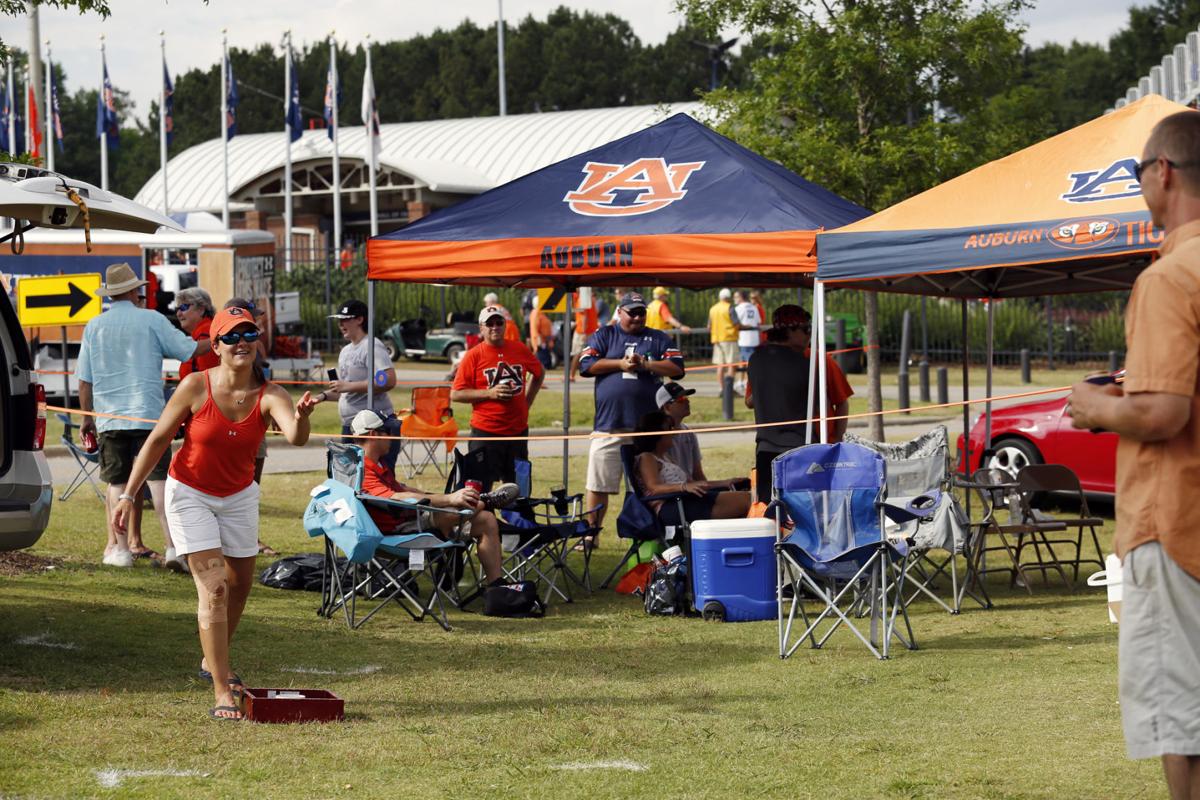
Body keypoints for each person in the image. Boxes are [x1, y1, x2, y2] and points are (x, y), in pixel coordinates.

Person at [1066, 111, 1200, 799]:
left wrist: (1097, 408)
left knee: (1180, 717)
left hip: (1174, 526)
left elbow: (1163, 413)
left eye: (1137, 173)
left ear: (1163, 173)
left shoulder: (1171, 276)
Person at [112, 306, 317, 721]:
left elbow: (295, 438)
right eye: (231, 337)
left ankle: (211, 659)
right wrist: (129, 494)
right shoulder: (194, 386)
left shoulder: (271, 394)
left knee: (240, 584)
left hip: (240, 495)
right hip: (190, 493)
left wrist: (302, 418)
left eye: (249, 334)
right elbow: (156, 441)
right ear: (217, 346)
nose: (241, 343)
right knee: (215, 588)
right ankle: (222, 688)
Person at [77, 262, 211, 572]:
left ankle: (120, 551)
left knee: (116, 484)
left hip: (110, 417)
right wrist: (223, 340)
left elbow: (85, 380)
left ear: (110, 295)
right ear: (135, 291)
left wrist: (87, 418)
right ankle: (174, 546)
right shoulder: (151, 319)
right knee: (160, 482)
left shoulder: (94, 325)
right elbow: (188, 350)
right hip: (149, 416)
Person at [351, 409, 508, 587]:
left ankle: (496, 586)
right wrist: (449, 499)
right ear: (373, 435)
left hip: (408, 519)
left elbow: (402, 488)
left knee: (486, 520)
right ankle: (485, 501)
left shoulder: (376, 462)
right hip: (397, 533)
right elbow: (397, 498)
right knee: (449, 510)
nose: (392, 436)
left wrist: (436, 496)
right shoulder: (363, 469)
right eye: (387, 432)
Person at [578, 292, 685, 537]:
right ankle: (590, 533)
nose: (637, 317)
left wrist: (646, 365)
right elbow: (586, 364)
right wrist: (620, 364)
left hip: (646, 428)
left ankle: (655, 530)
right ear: (620, 312)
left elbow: (677, 368)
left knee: (652, 484)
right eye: (632, 312)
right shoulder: (605, 334)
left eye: (641, 312)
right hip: (610, 425)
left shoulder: (658, 337)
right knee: (598, 482)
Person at [745, 305, 853, 503]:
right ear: (789, 331)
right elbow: (827, 404)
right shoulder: (809, 366)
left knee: (770, 506)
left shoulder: (755, 359)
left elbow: (750, 401)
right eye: (805, 330)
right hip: (802, 449)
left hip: (765, 449)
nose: (809, 335)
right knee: (807, 508)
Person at [451, 306, 545, 488]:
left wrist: (527, 402)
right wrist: (489, 393)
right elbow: (456, 394)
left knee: (519, 490)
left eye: (499, 322)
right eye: (490, 323)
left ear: (505, 325)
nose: (495, 327)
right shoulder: (473, 356)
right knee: (480, 491)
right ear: (481, 328)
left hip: (517, 433)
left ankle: (517, 516)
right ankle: (486, 517)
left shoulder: (519, 349)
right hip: (486, 433)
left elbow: (539, 372)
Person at [316, 299, 401, 471]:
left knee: (378, 480)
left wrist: (347, 386)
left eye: (345, 319)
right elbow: (343, 391)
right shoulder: (345, 351)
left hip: (374, 426)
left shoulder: (372, 346)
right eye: (338, 320)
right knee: (350, 479)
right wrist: (321, 397)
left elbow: (387, 379)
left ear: (360, 320)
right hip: (350, 425)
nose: (340, 324)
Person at [224, 298, 278, 557]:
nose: (256, 322)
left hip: (254, 425)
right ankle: (241, 540)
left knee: (250, 489)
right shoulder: (228, 346)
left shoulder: (253, 345)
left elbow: (264, 383)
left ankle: (249, 538)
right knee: (238, 488)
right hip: (230, 428)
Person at [633, 411, 750, 525]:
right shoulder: (647, 457)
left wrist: (725, 482)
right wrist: (684, 487)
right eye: (669, 428)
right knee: (748, 500)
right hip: (672, 506)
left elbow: (694, 484)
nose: (673, 432)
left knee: (747, 495)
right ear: (657, 434)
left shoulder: (665, 457)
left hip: (686, 499)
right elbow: (654, 488)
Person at [176, 288, 220, 380]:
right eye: (178, 309)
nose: (178, 313)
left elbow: (208, 379)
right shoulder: (202, 332)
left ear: (201, 309)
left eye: (184, 307)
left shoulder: (205, 333)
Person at [707, 288, 739, 386]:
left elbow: (709, 327)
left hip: (717, 340)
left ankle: (722, 388)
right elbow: (736, 324)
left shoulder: (712, 309)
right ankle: (729, 389)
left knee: (720, 366)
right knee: (731, 364)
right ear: (728, 297)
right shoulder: (729, 307)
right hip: (729, 338)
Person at [569, 288, 601, 380]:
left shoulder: (582, 300)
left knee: (576, 353)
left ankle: (571, 375)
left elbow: (584, 317)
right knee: (593, 352)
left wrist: (583, 332)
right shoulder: (589, 299)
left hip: (582, 331)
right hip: (592, 330)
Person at [733, 290, 762, 367]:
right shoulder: (754, 307)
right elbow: (758, 322)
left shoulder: (738, 308)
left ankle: (753, 378)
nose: (734, 299)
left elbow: (735, 324)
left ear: (741, 297)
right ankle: (745, 379)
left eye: (736, 297)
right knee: (747, 362)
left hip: (743, 340)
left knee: (749, 363)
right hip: (754, 339)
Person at [528, 294, 555, 370]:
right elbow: (535, 329)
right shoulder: (536, 313)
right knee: (543, 362)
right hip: (540, 342)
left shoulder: (540, 312)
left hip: (544, 341)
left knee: (545, 362)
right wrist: (538, 341)